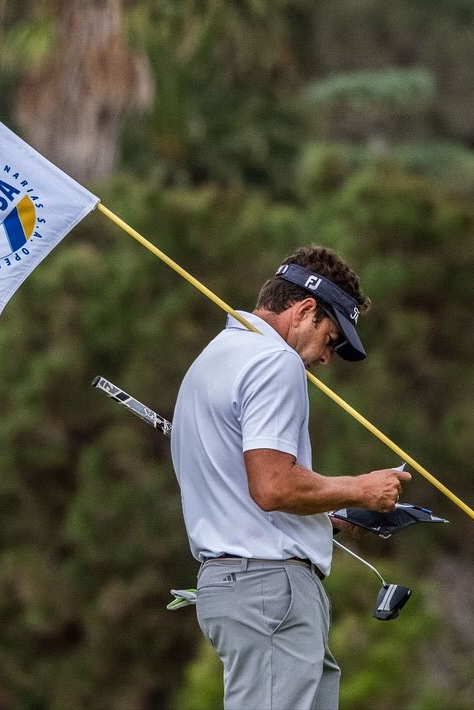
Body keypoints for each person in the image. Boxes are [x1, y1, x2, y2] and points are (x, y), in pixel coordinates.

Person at [171, 245, 411, 709]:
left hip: (243, 588)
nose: (326, 357)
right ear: (304, 310)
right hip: (269, 590)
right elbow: (274, 486)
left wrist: (326, 516)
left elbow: (244, 489)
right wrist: (362, 489)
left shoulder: (213, 357)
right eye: (331, 338)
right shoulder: (274, 361)